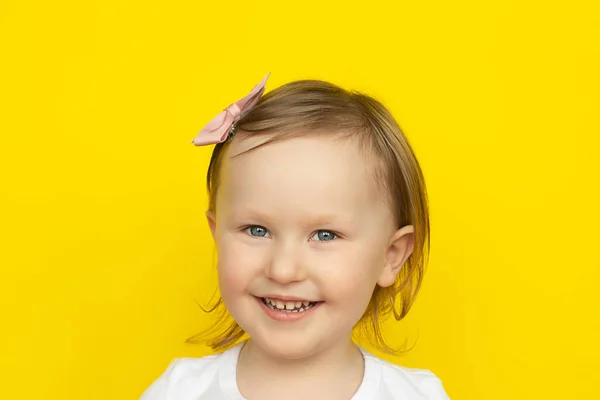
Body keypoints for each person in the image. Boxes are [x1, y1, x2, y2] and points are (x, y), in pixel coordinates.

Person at [140, 73, 450, 399]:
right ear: (217, 236)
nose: (283, 270)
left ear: (391, 255)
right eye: (257, 230)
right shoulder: (180, 392)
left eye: (325, 235)